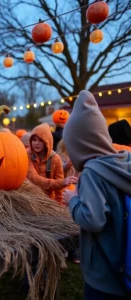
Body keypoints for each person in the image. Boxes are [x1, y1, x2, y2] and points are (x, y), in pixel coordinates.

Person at [63, 90, 131, 299]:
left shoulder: (93, 172)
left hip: (104, 274)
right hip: (124, 265)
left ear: (80, 143)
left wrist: (73, 200)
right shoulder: (124, 161)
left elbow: (93, 220)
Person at [27, 123, 77, 204]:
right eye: (34, 140)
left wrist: (59, 205)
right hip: (30, 200)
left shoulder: (55, 158)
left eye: (40, 140)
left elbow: (59, 190)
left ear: (47, 141)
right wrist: (62, 183)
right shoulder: (27, 156)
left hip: (48, 202)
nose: (36, 143)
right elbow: (33, 178)